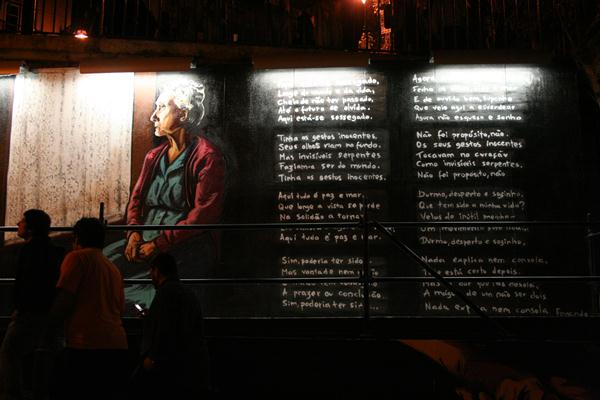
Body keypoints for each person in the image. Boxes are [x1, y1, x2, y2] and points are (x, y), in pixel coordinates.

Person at [104, 77, 226, 309]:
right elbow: (136, 201)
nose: (153, 116)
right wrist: (133, 233)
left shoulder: (208, 157)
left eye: (161, 107)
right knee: (103, 263)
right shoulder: (153, 157)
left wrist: (158, 244)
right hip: (143, 241)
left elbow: (202, 216)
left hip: (182, 247)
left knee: (142, 294)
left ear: (183, 114)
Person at [49, 217, 128, 400]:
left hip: (85, 344)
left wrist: (50, 327)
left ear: (77, 238)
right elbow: (120, 308)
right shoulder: (113, 269)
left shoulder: (77, 258)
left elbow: (65, 299)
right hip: (117, 345)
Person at [0, 209, 64, 400]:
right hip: (49, 311)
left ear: (31, 228)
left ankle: (12, 393)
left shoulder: (28, 250)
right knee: (44, 354)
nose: (18, 224)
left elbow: (25, 283)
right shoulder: (55, 251)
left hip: (29, 312)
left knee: (9, 352)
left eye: (22, 221)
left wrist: (19, 308)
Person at [131, 252, 210, 399]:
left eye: (151, 271)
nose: (151, 276)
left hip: (168, 367)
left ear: (157, 271)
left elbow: (165, 331)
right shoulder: (189, 293)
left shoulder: (164, 294)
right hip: (192, 367)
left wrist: (151, 357)